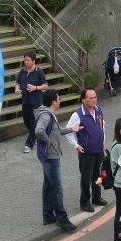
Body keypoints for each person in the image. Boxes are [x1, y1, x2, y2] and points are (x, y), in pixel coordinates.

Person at [33, 89, 78, 232]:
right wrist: (47, 141)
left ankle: (48, 215)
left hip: (46, 156)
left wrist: (72, 129)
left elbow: (56, 131)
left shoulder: (48, 114)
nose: (60, 100)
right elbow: (39, 131)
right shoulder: (46, 116)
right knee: (57, 188)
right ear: (53, 101)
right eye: (58, 98)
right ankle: (62, 219)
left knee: (48, 186)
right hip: (51, 156)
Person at [65, 87, 107, 212]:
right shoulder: (77, 115)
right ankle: (84, 202)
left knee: (98, 176)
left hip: (99, 150)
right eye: (91, 98)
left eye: (95, 97)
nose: (94, 100)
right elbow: (68, 131)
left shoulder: (98, 110)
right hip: (86, 152)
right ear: (84, 100)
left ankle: (97, 197)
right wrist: (76, 146)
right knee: (86, 178)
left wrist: (103, 140)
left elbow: (102, 126)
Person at [15, 51, 48, 154]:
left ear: (33, 61)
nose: (25, 62)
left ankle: (29, 144)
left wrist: (35, 88)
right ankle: (38, 135)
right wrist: (17, 89)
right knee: (27, 121)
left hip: (36, 102)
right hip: (25, 101)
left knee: (34, 124)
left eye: (28, 60)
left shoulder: (39, 72)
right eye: (24, 60)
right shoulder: (22, 72)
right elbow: (17, 83)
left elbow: (45, 86)